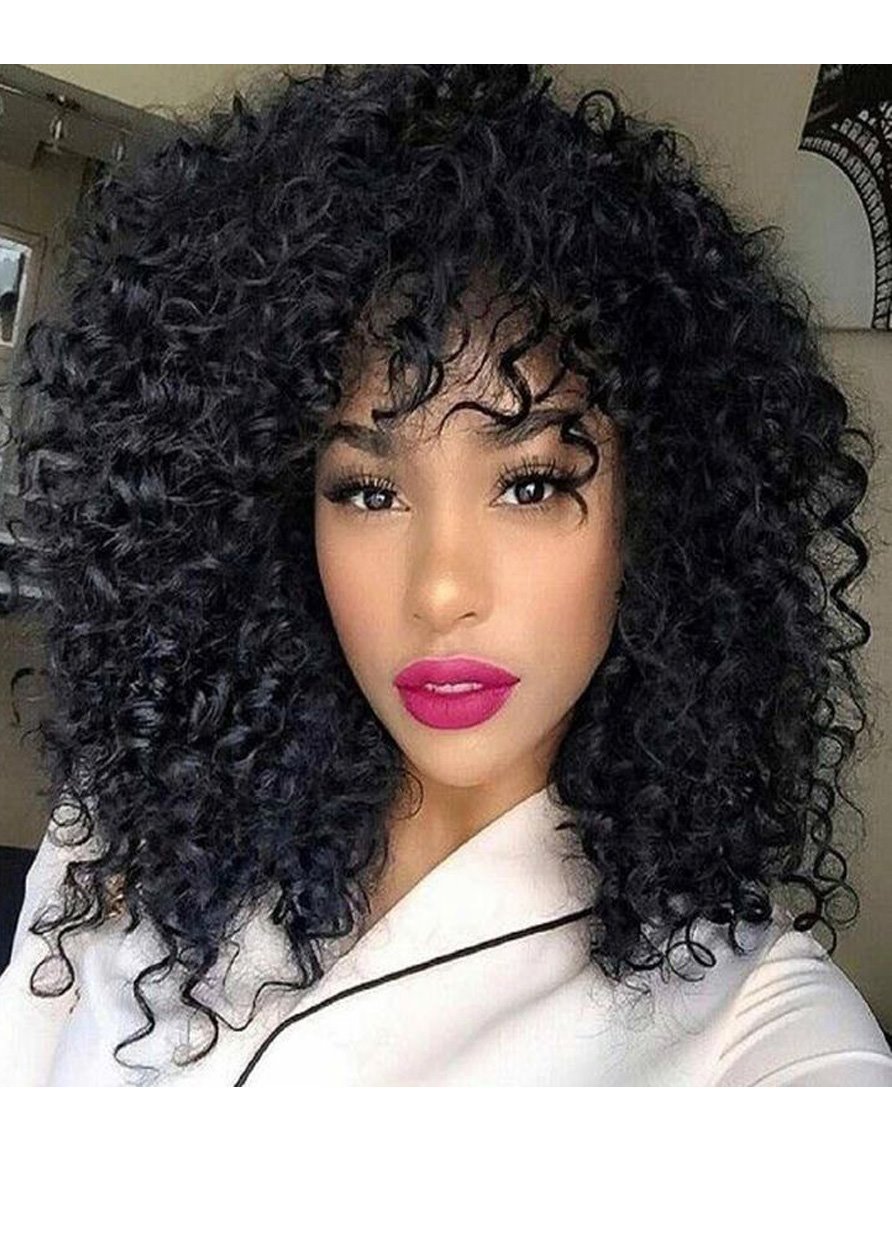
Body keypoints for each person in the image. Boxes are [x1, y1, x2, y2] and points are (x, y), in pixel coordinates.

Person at [0, 64, 890, 1086]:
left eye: (531, 485)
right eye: (369, 493)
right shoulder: (130, 830)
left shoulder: (751, 1029)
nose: (440, 590)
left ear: (660, 511)